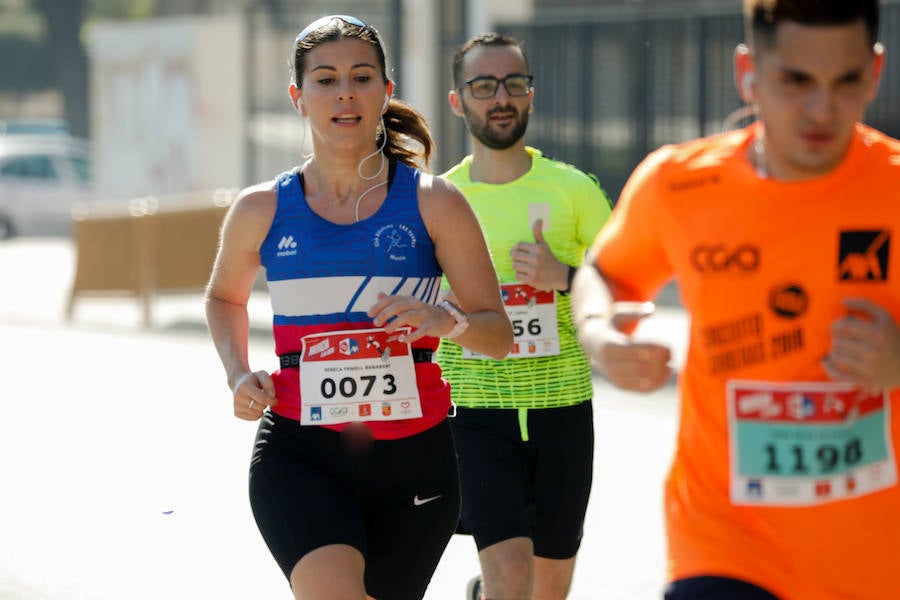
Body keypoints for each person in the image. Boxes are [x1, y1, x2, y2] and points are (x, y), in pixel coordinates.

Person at [572, 1, 900, 598]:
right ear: (748, 70)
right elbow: (604, 272)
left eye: (846, 81)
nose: (821, 108)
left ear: (875, 71)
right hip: (724, 541)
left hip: (876, 557)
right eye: (796, 80)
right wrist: (599, 332)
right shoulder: (680, 184)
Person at [204, 15, 513, 600]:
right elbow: (224, 298)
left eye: (361, 76)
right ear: (299, 97)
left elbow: (497, 334)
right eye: (325, 79)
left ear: (386, 91)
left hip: (413, 458)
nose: (344, 92)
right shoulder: (261, 208)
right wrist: (238, 371)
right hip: (300, 449)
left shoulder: (434, 202)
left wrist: (447, 322)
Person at [437, 32, 613, 600]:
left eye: (515, 83)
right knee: (512, 578)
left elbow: (620, 278)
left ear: (531, 95)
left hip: (562, 408)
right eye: (484, 86)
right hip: (474, 410)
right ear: (458, 101)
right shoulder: (440, 198)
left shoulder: (573, 190)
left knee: (548, 588)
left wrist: (562, 276)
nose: (501, 97)